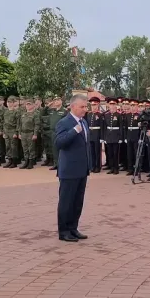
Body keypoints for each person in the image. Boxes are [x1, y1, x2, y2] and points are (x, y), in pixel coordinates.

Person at [54, 94, 91, 242]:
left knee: (77, 202)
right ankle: (64, 231)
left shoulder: (84, 122)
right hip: (69, 170)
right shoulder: (64, 122)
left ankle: (73, 228)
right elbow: (59, 143)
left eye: (85, 106)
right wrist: (74, 131)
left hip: (82, 170)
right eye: (82, 107)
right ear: (73, 106)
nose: (85, 109)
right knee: (66, 202)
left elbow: (86, 145)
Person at [17, 99, 41, 169]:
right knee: (25, 148)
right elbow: (20, 124)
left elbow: (37, 125)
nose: (28, 106)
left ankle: (31, 162)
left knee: (31, 148)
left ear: (33, 105)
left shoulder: (35, 114)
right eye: (27, 104)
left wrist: (35, 134)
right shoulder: (23, 114)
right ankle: (26, 161)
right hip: (23, 133)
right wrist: (19, 133)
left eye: (29, 104)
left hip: (30, 133)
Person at [86, 97, 104, 173]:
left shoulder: (100, 115)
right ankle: (92, 166)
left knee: (97, 152)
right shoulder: (89, 114)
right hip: (91, 134)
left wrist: (101, 137)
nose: (93, 107)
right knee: (91, 151)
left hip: (97, 134)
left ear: (98, 105)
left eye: (95, 105)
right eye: (92, 105)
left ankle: (98, 166)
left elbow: (102, 127)